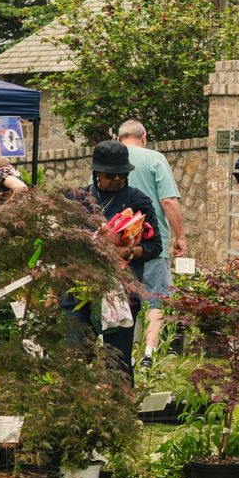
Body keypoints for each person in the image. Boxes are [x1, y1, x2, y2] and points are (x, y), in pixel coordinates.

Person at [65, 140, 163, 374]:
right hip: (78, 291)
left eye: (121, 175)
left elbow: (155, 245)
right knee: (75, 359)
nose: (117, 180)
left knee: (117, 363)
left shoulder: (138, 200)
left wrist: (128, 251)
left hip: (121, 293)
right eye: (110, 175)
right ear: (96, 172)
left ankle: (122, 408)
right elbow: (62, 246)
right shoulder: (76, 199)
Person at [116, 120, 185, 366]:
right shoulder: (155, 159)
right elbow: (168, 201)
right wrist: (180, 236)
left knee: (122, 299)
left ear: (118, 138)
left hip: (118, 245)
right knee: (157, 298)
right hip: (151, 242)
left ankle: (123, 353)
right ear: (143, 137)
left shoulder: (111, 161)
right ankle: (148, 354)